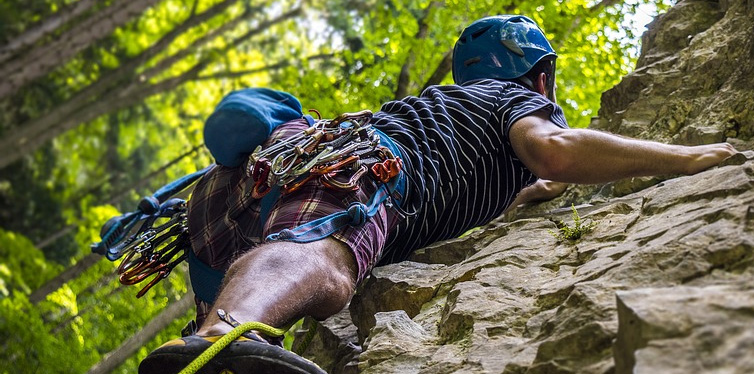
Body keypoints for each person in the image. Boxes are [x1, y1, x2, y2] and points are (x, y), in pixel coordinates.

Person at [139, 15, 737, 374]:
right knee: (325, 256)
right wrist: (693, 156)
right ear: (539, 77)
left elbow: (537, 184)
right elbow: (557, 152)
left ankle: (211, 337)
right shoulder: (513, 102)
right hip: (359, 169)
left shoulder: (453, 117)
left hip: (237, 192)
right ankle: (222, 335)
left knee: (221, 338)